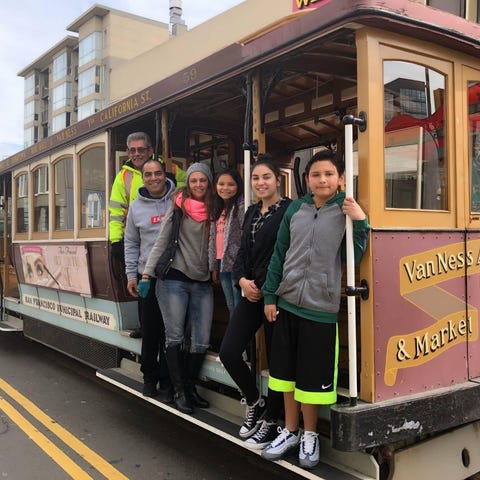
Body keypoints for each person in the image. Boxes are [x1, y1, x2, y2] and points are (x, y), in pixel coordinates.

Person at [260, 150, 369, 469]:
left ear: (340, 178)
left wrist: (361, 221)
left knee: (311, 378)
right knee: (286, 376)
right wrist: (270, 295)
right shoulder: (296, 208)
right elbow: (280, 252)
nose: (322, 180)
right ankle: (290, 431)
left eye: (328, 174)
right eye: (316, 175)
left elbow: (353, 256)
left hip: (320, 309)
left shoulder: (346, 209)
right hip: (286, 304)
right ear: (307, 180)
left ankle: (309, 435)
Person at [219, 155, 291, 449]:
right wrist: (242, 281)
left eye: (266, 177)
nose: (261, 183)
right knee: (229, 352)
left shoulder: (289, 210)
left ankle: (272, 420)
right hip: (251, 295)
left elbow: (286, 254)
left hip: (277, 297)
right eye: (256, 178)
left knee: (277, 363)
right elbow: (240, 256)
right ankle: (255, 401)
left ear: (278, 179)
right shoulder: (250, 212)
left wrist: (265, 286)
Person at [139, 162, 214, 414]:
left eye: (203, 180)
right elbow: (161, 240)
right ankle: (180, 391)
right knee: (175, 337)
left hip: (203, 281)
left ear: (209, 182)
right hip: (174, 278)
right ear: (188, 184)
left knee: (201, 341)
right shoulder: (178, 206)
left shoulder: (216, 208)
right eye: (194, 180)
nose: (198, 185)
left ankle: (190, 388)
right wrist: (147, 274)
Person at [124, 159, 176, 400]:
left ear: (164, 174)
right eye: (148, 174)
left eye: (158, 173)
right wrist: (131, 275)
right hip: (147, 277)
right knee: (150, 330)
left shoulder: (178, 199)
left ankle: (167, 382)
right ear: (142, 178)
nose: (154, 178)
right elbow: (131, 243)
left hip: (175, 277)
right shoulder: (135, 207)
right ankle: (149, 378)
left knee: (171, 333)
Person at [109, 132, 155, 339]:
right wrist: (116, 240)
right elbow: (116, 211)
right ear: (128, 152)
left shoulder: (166, 169)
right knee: (138, 282)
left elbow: (184, 186)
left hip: (159, 237)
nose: (137, 154)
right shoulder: (123, 177)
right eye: (133, 150)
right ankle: (144, 326)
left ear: (150, 151)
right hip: (135, 240)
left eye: (141, 150)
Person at [208, 169, 244, 318]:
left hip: (236, 265)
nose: (225, 188)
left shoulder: (242, 207)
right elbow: (213, 239)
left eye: (231, 184)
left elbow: (244, 237)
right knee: (231, 305)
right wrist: (214, 266)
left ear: (238, 186)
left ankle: (240, 339)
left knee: (238, 306)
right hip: (222, 264)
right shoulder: (217, 209)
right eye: (221, 184)